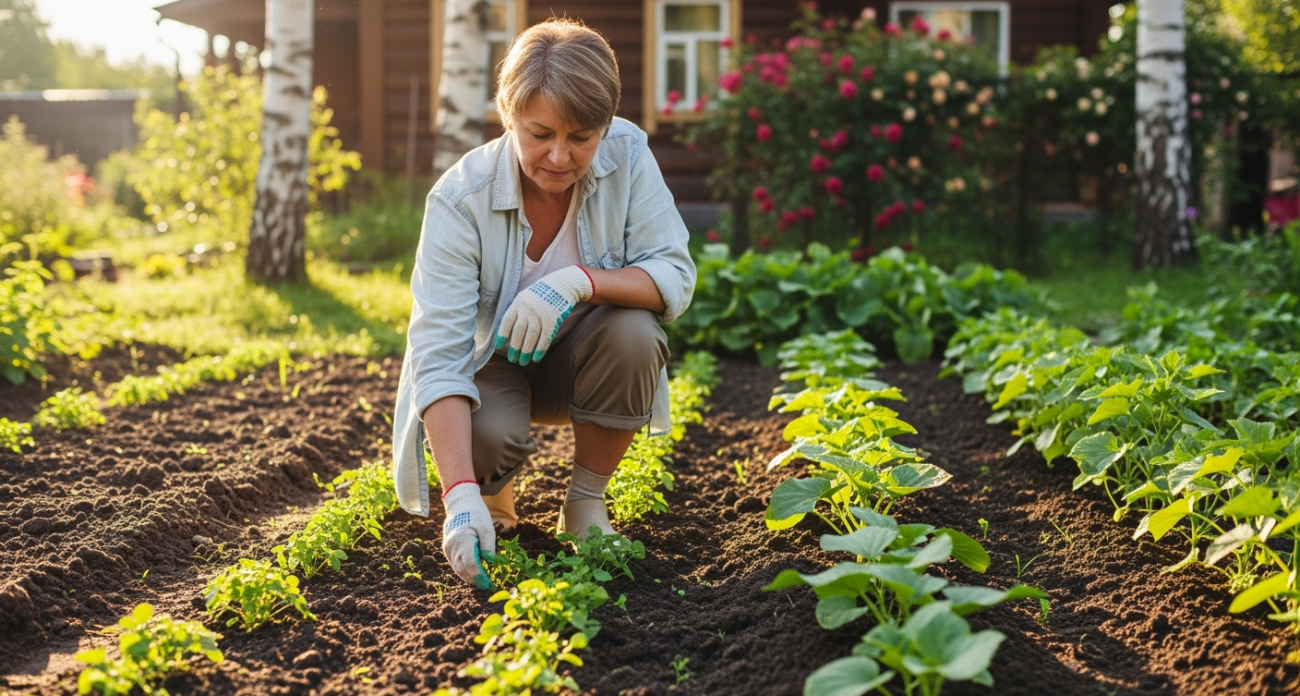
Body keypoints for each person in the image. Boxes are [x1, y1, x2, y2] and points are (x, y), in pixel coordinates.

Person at [390, 18, 696, 590]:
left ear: (606, 126)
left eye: (581, 137)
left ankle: (584, 505)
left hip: (589, 358)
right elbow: (438, 356)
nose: (559, 155)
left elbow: (673, 274)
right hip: (495, 365)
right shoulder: (462, 199)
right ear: (508, 117)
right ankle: (490, 500)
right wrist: (456, 499)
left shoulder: (628, 156)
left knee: (635, 333)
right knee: (484, 433)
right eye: (539, 134)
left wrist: (579, 281)